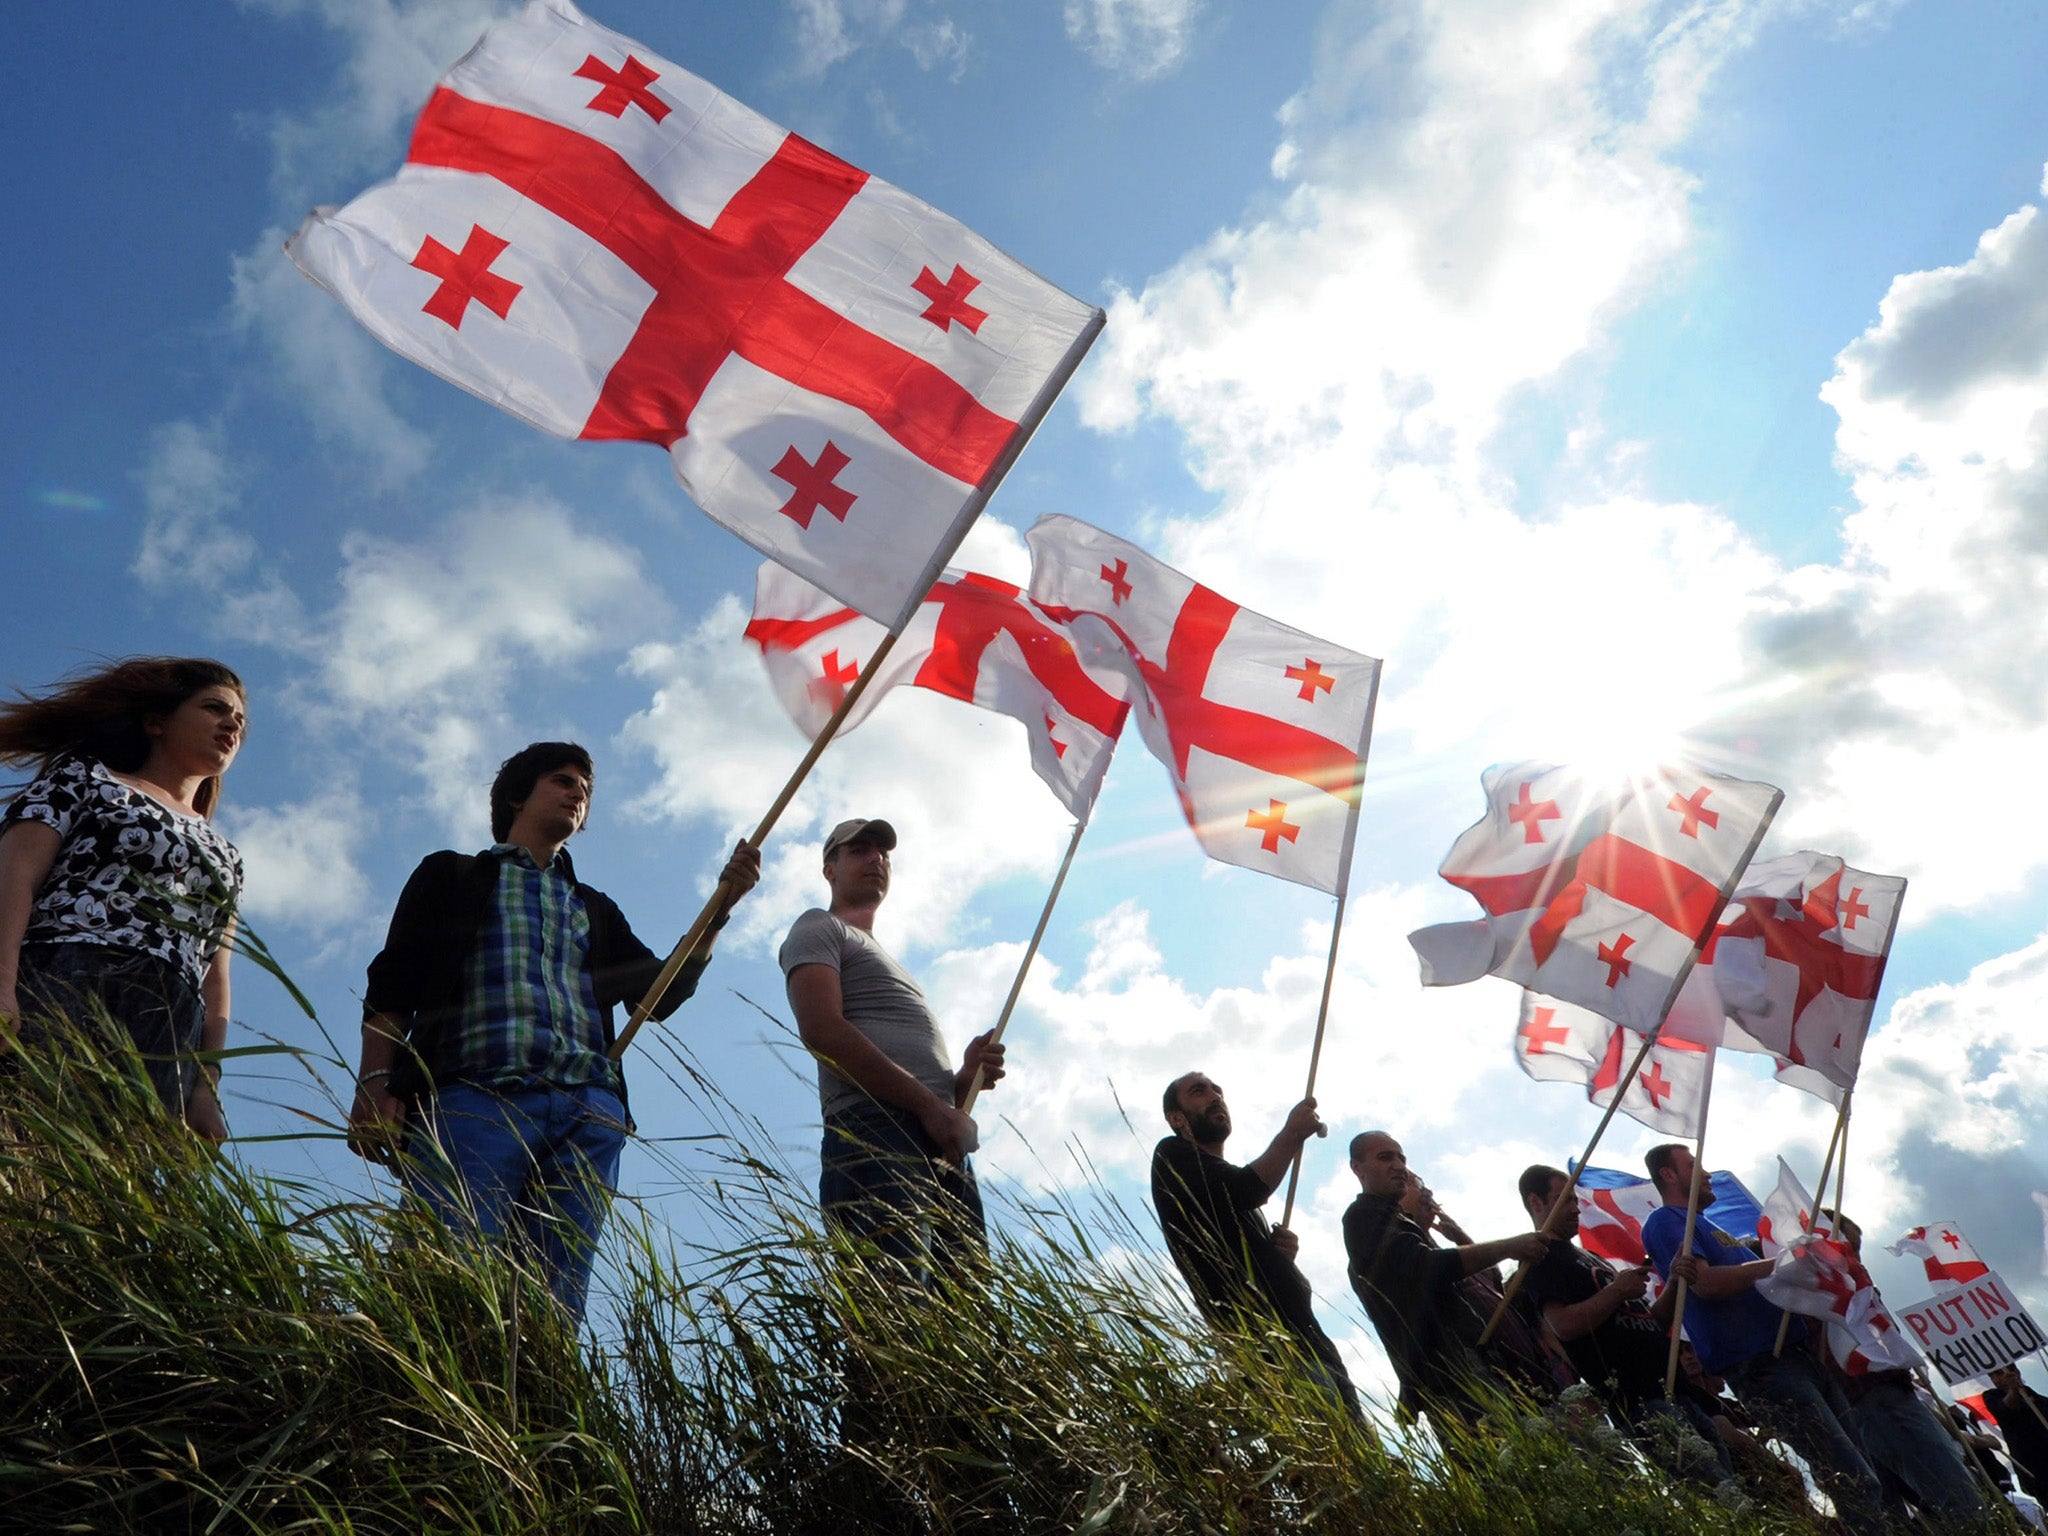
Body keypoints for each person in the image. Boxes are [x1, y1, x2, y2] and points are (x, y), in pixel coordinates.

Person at [350, 741, 758, 1322]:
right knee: (440, 1275)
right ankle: (415, 1402)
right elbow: (394, 982)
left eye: (585, 791)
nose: (577, 794)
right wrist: (375, 1081)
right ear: (518, 794)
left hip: (587, 1114)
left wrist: (720, 909)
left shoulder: (593, 906)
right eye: (563, 781)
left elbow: (659, 995)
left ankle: (534, 1405)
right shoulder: (453, 875)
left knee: (551, 1299)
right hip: (473, 1098)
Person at [0, 657, 247, 1141]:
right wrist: (3, 985)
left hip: (171, 1020)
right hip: (69, 976)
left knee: (120, 1181)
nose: (231, 724)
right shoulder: (86, 778)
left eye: (239, 720)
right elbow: (14, 880)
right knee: (31, 1142)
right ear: (157, 722)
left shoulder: (226, 855)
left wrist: (205, 1089)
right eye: (214, 708)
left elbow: (216, 978)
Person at [781, 818, 1003, 1281]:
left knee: (967, 1309)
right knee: (897, 1298)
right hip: (875, 1130)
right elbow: (822, 1031)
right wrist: (930, 1107)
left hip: (936, 1141)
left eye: (882, 852)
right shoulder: (819, 927)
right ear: (829, 869)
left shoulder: (890, 961)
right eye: (859, 850)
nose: (876, 859)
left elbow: (935, 1093)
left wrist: (963, 1079)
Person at [1641, 1143, 1884, 1527]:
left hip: (1794, 1358)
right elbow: (1705, 1284)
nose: (1706, 1172)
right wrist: (1783, 1264)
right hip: (1761, 1368)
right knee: (1854, 1481)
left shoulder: (1713, 1228)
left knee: (1865, 1476)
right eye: (1693, 1165)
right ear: (1669, 1176)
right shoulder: (1668, 1222)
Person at [1150, 1072, 1361, 1416]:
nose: (1215, 1096)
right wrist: (1291, 1134)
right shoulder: (1173, 1156)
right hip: (1272, 1349)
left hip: (1309, 1343)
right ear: (1177, 1118)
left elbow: (1240, 1199)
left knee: (1357, 1459)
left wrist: (1281, 1260)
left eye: (1217, 1089)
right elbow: (1247, 1188)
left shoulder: (1224, 1184)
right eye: (1199, 1091)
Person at [1513, 1164, 1720, 1467]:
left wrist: (1675, 1281)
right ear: (1535, 1202)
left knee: (1725, 1484)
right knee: (1710, 1484)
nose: (1576, 1207)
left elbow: (1649, 1323)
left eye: (1575, 1199)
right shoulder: (1541, 1259)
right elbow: (1564, 1326)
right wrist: (1618, 1291)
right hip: (1640, 1401)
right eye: (1565, 1198)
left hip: (1678, 1391)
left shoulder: (1591, 1258)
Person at [1344, 1130, 1548, 1424]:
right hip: (1451, 1379)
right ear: (1357, 1168)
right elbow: (1426, 1267)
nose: (1399, 1166)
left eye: (1402, 1158)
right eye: (1385, 1157)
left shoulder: (1400, 1225)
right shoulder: (1361, 1217)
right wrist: (1509, 1246)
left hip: (1477, 1367)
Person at [1820, 1210, 1985, 1524]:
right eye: (1848, 1246)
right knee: (1959, 1499)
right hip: (1876, 1397)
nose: (1855, 1256)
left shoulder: (1854, 1283)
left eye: (1857, 1249)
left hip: (1881, 1398)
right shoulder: (1823, 1286)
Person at [1987, 1365, 2048, 1502]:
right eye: (1993, 1375)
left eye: (2000, 1372)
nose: (1997, 1379)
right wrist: (2014, 1390)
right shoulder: (1992, 1396)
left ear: (2016, 1372)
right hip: (2035, 1471)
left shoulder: (2037, 1398)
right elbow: (2005, 1409)